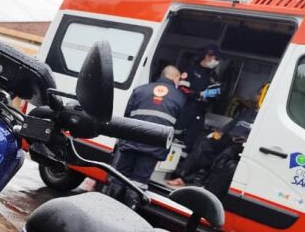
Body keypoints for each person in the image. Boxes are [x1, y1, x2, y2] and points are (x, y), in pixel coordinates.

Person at [105, 65, 185, 208]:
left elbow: (127, 116)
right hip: (153, 146)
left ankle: (108, 206)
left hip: (131, 140)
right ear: (176, 77)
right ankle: (128, 212)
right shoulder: (180, 97)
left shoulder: (141, 89)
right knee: (138, 182)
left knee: (119, 177)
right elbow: (179, 127)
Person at [168, 82, 268, 189]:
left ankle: (207, 185)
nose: (259, 96)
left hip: (241, 144)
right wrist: (220, 132)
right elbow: (231, 125)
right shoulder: (248, 112)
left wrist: (246, 139)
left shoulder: (266, 117)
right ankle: (183, 178)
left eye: (262, 94)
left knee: (226, 155)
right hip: (228, 138)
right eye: (259, 93)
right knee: (205, 144)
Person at [174, 44, 222, 152]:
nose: (217, 61)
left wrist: (210, 96)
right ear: (208, 56)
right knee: (176, 133)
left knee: (191, 139)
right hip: (185, 108)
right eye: (216, 58)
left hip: (201, 112)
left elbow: (216, 95)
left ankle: (182, 163)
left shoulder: (213, 75)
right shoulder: (191, 69)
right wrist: (198, 94)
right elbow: (182, 87)